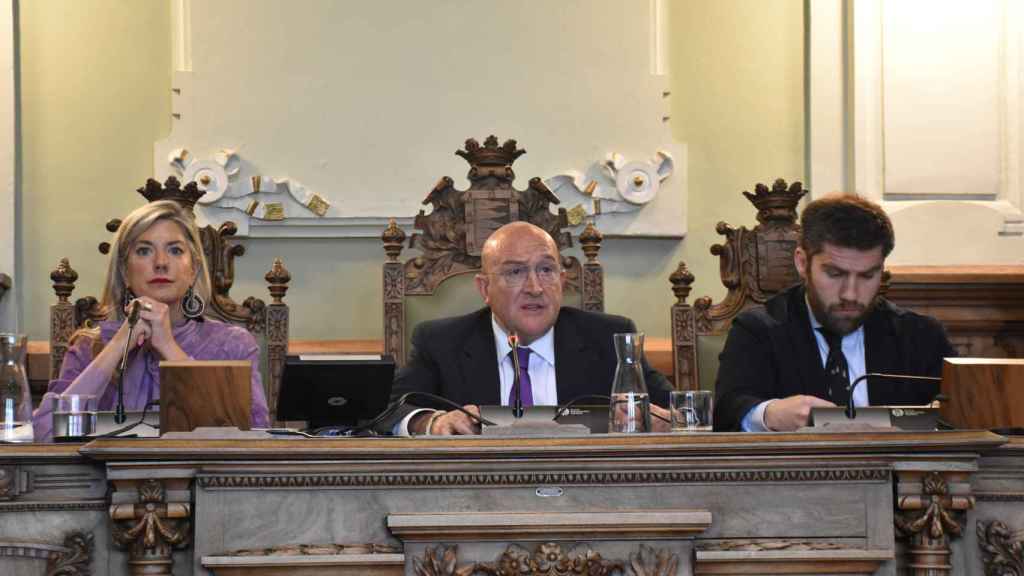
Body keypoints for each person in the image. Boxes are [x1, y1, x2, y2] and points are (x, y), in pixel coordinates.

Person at [385, 221, 672, 435]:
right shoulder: (442, 342)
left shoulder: (607, 338)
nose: (535, 288)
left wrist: (657, 420)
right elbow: (388, 412)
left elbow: (679, 412)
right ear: (484, 288)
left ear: (561, 280)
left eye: (546, 270)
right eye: (515, 272)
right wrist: (432, 422)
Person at [714, 193, 956, 432]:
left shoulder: (921, 336)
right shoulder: (759, 331)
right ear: (802, 262)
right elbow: (728, 411)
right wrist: (769, 414)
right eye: (835, 274)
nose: (850, 294)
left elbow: (962, 413)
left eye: (867, 276)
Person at [32, 200, 270, 441]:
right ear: (125, 271)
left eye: (175, 250)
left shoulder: (232, 345)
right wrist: (119, 343)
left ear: (193, 270)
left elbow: (252, 440)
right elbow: (46, 435)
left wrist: (168, 347)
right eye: (144, 250)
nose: (161, 262)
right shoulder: (86, 346)